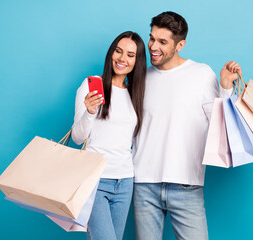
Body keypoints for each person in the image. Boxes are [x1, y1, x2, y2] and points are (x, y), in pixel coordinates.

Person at [132, 11, 242, 240]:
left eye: (163, 42)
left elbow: (220, 126)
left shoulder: (201, 74)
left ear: (180, 44)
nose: (153, 46)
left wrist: (225, 88)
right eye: (152, 38)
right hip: (143, 184)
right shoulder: (140, 77)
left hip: (186, 185)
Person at [71, 31, 146, 240]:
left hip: (124, 181)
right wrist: (90, 113)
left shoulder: (135, 95)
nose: (122, 59)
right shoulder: (93, 84)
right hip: (95, 180)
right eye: (118, 51)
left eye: (130, 55)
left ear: (137, 61)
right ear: (111, 53)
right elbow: (77, 138)